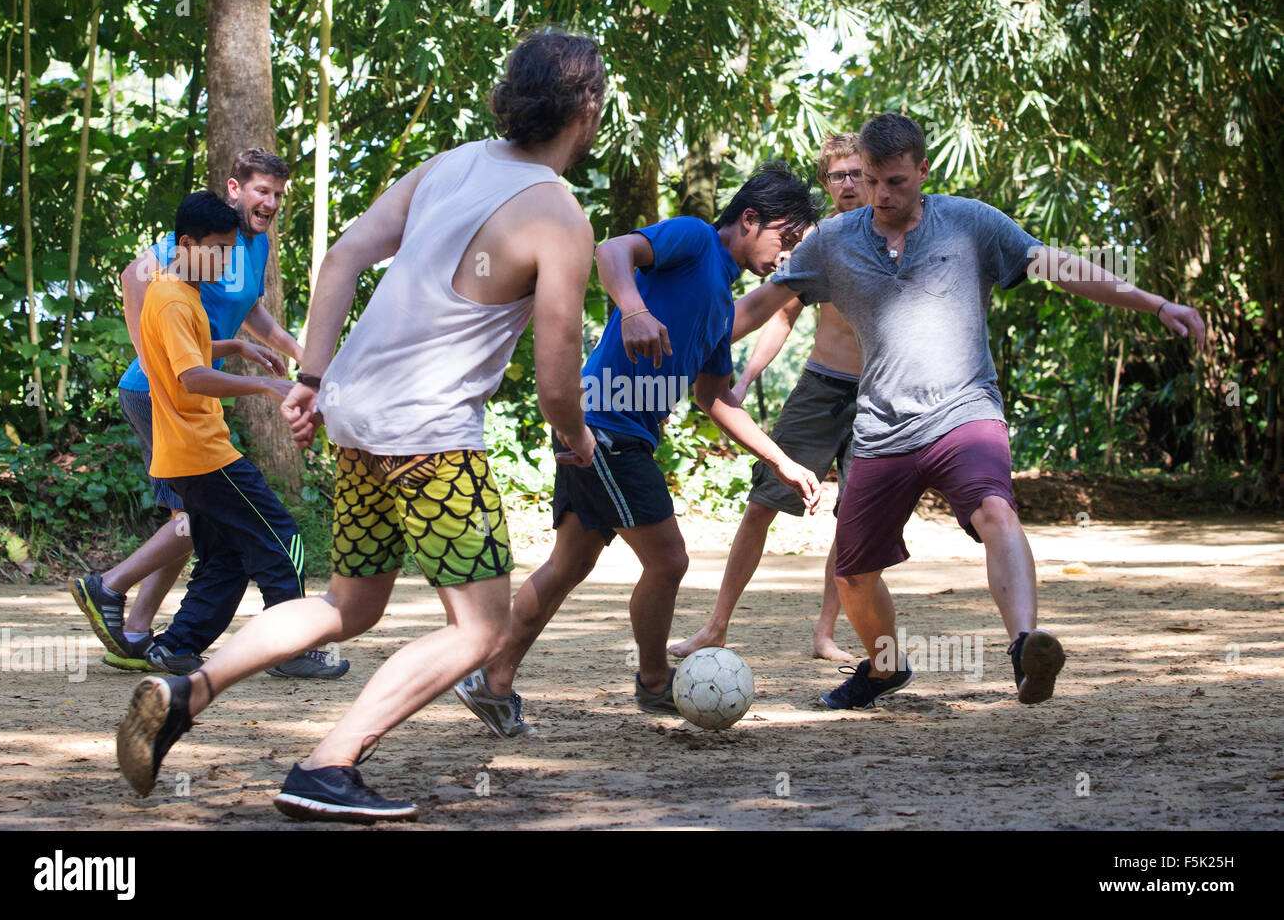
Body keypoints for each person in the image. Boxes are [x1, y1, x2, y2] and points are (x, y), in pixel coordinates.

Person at [116, 31, 605, 822]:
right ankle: (327, 764)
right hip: (432, 434)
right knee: (479, 627)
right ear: (585, 109)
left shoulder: (453, 163)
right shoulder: (559, 214)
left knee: (350, 604)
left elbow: (342, 256)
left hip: (356, 416)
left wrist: (314, 378)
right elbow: (558, 379)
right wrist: (575, 439)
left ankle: (186, 689)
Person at [738, 112, 1206, 709]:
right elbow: (761, 306)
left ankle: (1024, 648)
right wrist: (684, 345)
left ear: (923, 171)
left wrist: (1155, 303)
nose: (881, 195)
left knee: (995, 510)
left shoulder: (970, 223)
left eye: (896, 183)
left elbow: (1059, 266)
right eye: (874, 181)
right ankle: (883, 669)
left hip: (964, 410)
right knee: (852, 573)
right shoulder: (834, 240)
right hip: (882, 426)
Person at [453, 163, 823, 739]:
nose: (786, 254)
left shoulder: (722, 305)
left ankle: (492, 680)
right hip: (603, 429)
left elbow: (715, 398)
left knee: (570, 563)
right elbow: (611, 252)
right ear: (749, 220)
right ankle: (653, 682)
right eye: (786, 238)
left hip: (613, 432)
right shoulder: (696, 238)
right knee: (669, 559)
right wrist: (634, 309)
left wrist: (781, 460)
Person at [70, 150, 337, 678]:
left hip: (200, 421)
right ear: (236, 190)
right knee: (269, 534)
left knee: (214, 536)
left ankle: (158, 638)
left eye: (279, 194)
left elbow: (238, 320)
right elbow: (175, 353)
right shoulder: (176, 277)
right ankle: (111, 589)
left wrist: (257, 352)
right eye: (263, 191)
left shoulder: (213, 269)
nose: (272, 202)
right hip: (181, 421)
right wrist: (164, 365)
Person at [671, 131, 868, 662]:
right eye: (836, 175)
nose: (847, 184)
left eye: (857, 172)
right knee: (764, 501)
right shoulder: (815, 242)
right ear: (825, 182)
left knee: (853, 518)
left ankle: (826, 634)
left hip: (881, 395)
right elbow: (777, 312)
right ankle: (716, 625)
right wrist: (739, 380)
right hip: (824, 385)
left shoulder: (901, 233)